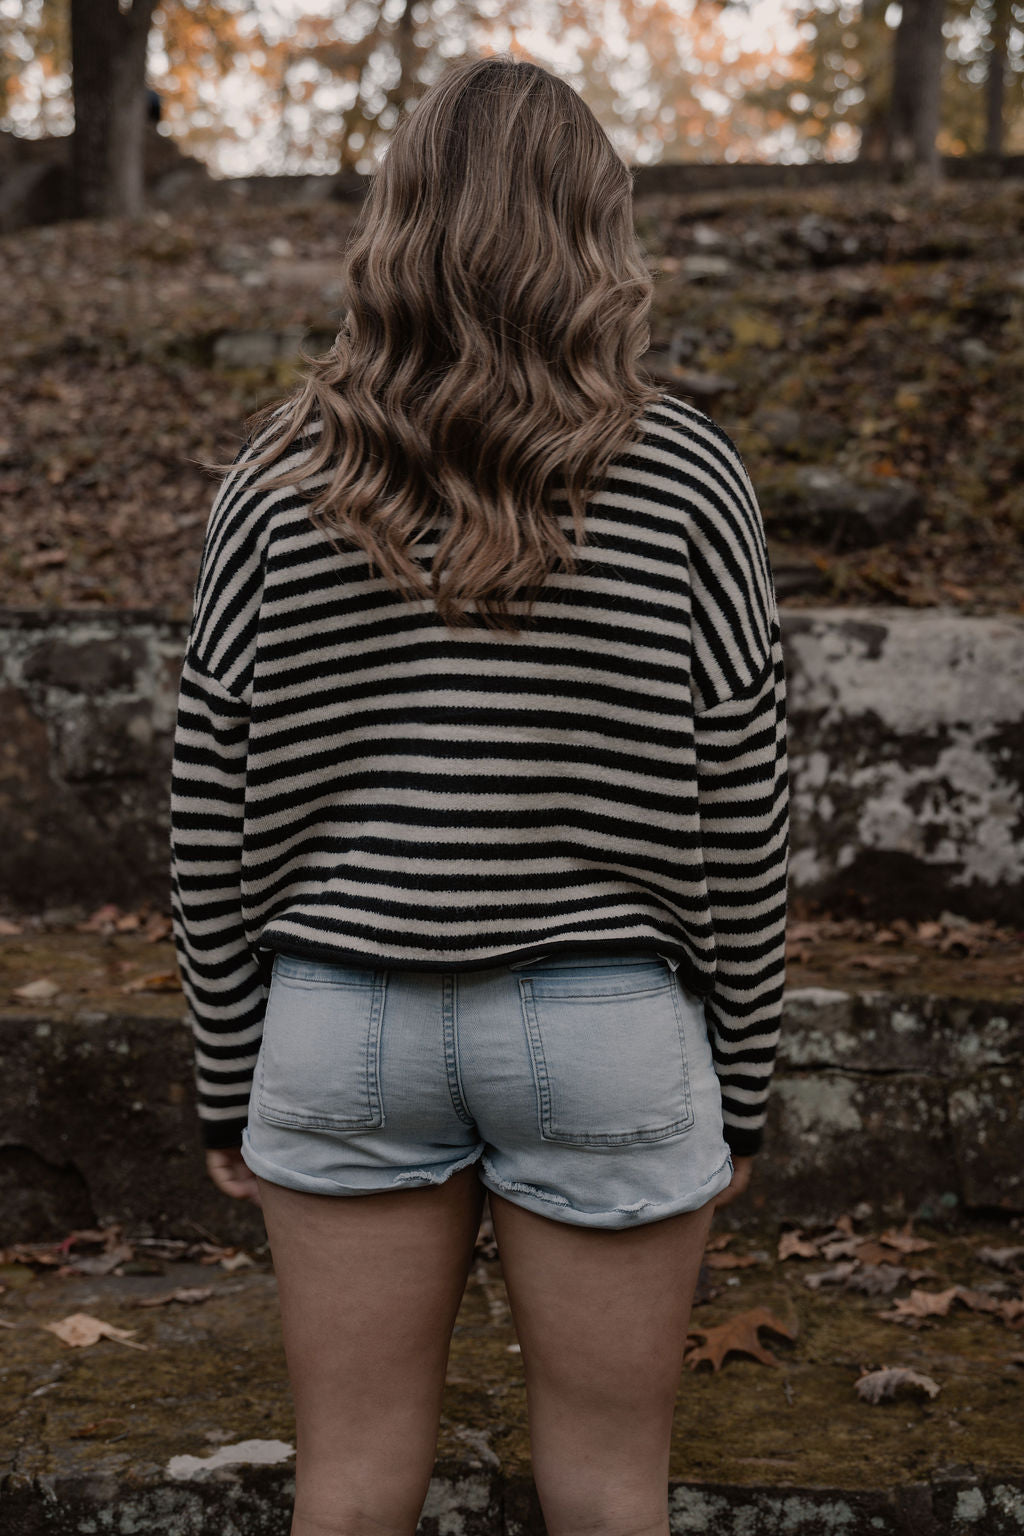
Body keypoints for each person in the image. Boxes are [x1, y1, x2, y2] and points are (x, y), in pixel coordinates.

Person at [169, 52, 789, 1536]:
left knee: (355, 1487)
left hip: (339, 1015)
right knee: (607, 1489)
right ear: (598, 232)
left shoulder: (278, 475)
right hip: (608, 1023)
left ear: (395, 225)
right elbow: (748, 802)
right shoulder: (693, 475)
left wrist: (224, 1068)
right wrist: (746, 1079)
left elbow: (208, 799)